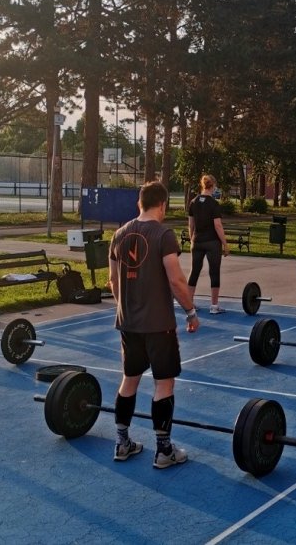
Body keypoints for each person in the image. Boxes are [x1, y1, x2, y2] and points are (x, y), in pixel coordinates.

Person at [107, 181, 199, 467]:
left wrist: (128, 308)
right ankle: (164, 451)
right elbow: (176, 279)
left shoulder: (119, 235)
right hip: (158, 324)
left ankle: (122, 443)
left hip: (128, 324)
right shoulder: (164, 234)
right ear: (162, 205)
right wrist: (191, 311)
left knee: (129, 380)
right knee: (164, 383)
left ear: (139, 203)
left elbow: (112, 282)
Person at [186, 174, 229, 314]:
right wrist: (225, 244)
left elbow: (191, 225)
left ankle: (189, 303)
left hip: (197, 241)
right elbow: (218, 225)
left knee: (194, 271)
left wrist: (192, 239)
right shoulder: (214, 204)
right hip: (212, 242)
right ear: (213, 186)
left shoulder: (193, 202)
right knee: (214, 272)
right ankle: (214, 306)